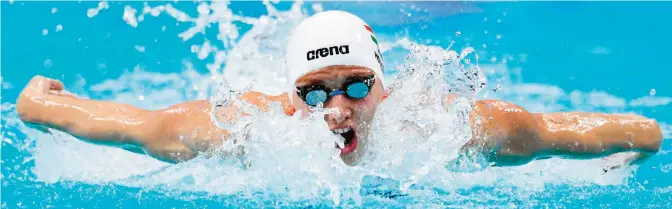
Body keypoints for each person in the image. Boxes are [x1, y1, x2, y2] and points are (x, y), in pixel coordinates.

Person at [16, 10, 662, 168]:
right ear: (293, 97)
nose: (340, 107)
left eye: (356, 84)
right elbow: (125, 122)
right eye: (318, 92)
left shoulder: (451, 127)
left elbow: (569, 130)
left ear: (383, 86)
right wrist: (42, 99)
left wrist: (642, 141)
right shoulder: (238, 129)